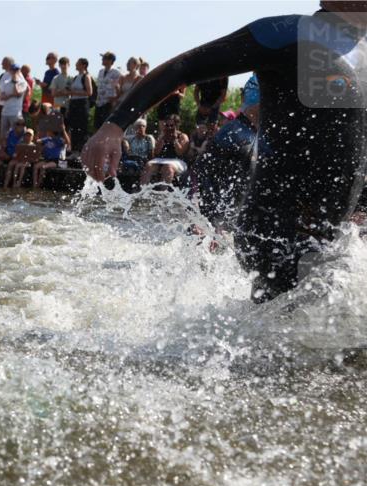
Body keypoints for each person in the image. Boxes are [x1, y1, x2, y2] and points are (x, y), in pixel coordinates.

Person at [84, 2, 367, 302]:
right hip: (275, 227)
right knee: (282, 336)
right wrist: (114, 126)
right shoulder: (286, 33)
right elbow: (186, 66)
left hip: (336, 233)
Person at [194, 84, 261, 230]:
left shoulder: (231, 130)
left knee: (213, 216)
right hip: (241, 141)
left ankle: (210, 231)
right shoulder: (244, 137)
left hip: (233, 136)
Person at [140, 114, 190, 185]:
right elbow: (156, 152)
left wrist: (175, 140)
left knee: (167, 167)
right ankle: (142, 190)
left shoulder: (183, 136)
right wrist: (162, 139)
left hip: (177, 161)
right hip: (161, 159)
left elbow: (180, 153)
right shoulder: (162, 136)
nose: (169, 127)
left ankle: (163, 192)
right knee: (149, 165)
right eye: (167, 125)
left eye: (171, 125)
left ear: (176, 126)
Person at [64, 58, 94, 152]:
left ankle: (81, 150)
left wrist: (74, 92)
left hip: (82, 104)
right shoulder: (76, 77)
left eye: (78, 63)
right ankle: (74, 150)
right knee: (74, 128)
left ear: (83, 65)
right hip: (74, 104)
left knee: (81, 128)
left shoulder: (86, 76)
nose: (76, 65)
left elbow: (89, 92)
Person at [0, 116, 27, 186]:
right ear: (15, 125)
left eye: (22, 124)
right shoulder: (9, 134)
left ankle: (6, 186)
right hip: (7, 155)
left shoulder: (26, 135)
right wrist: (3, 153)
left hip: (17, 159)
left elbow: (27, 150)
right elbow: (3, 146)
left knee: (11, 165)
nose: (20, 126)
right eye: (18, 124)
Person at [0, 62, 28, 146]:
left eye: (16, 70)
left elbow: (18, 93)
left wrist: (15, 82)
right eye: (12, 70)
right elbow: (2, 97)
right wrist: (11, 95)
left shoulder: (23, 83)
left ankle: (16, 152)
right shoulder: (6, 82)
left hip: (15, 113)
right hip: (5, 112)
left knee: (17, 134)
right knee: (3, 135)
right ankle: (3, 151)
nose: (14, 72)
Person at [95, 51, 122, 131]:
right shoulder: (100, 72)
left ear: (110, 61)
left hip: (108, 103)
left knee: (107, 125)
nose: (102, 60)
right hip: (99, 102)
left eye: (104, 58)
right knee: (97, 126)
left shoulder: (116, 73)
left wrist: (115, 99)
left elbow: (119, 87)